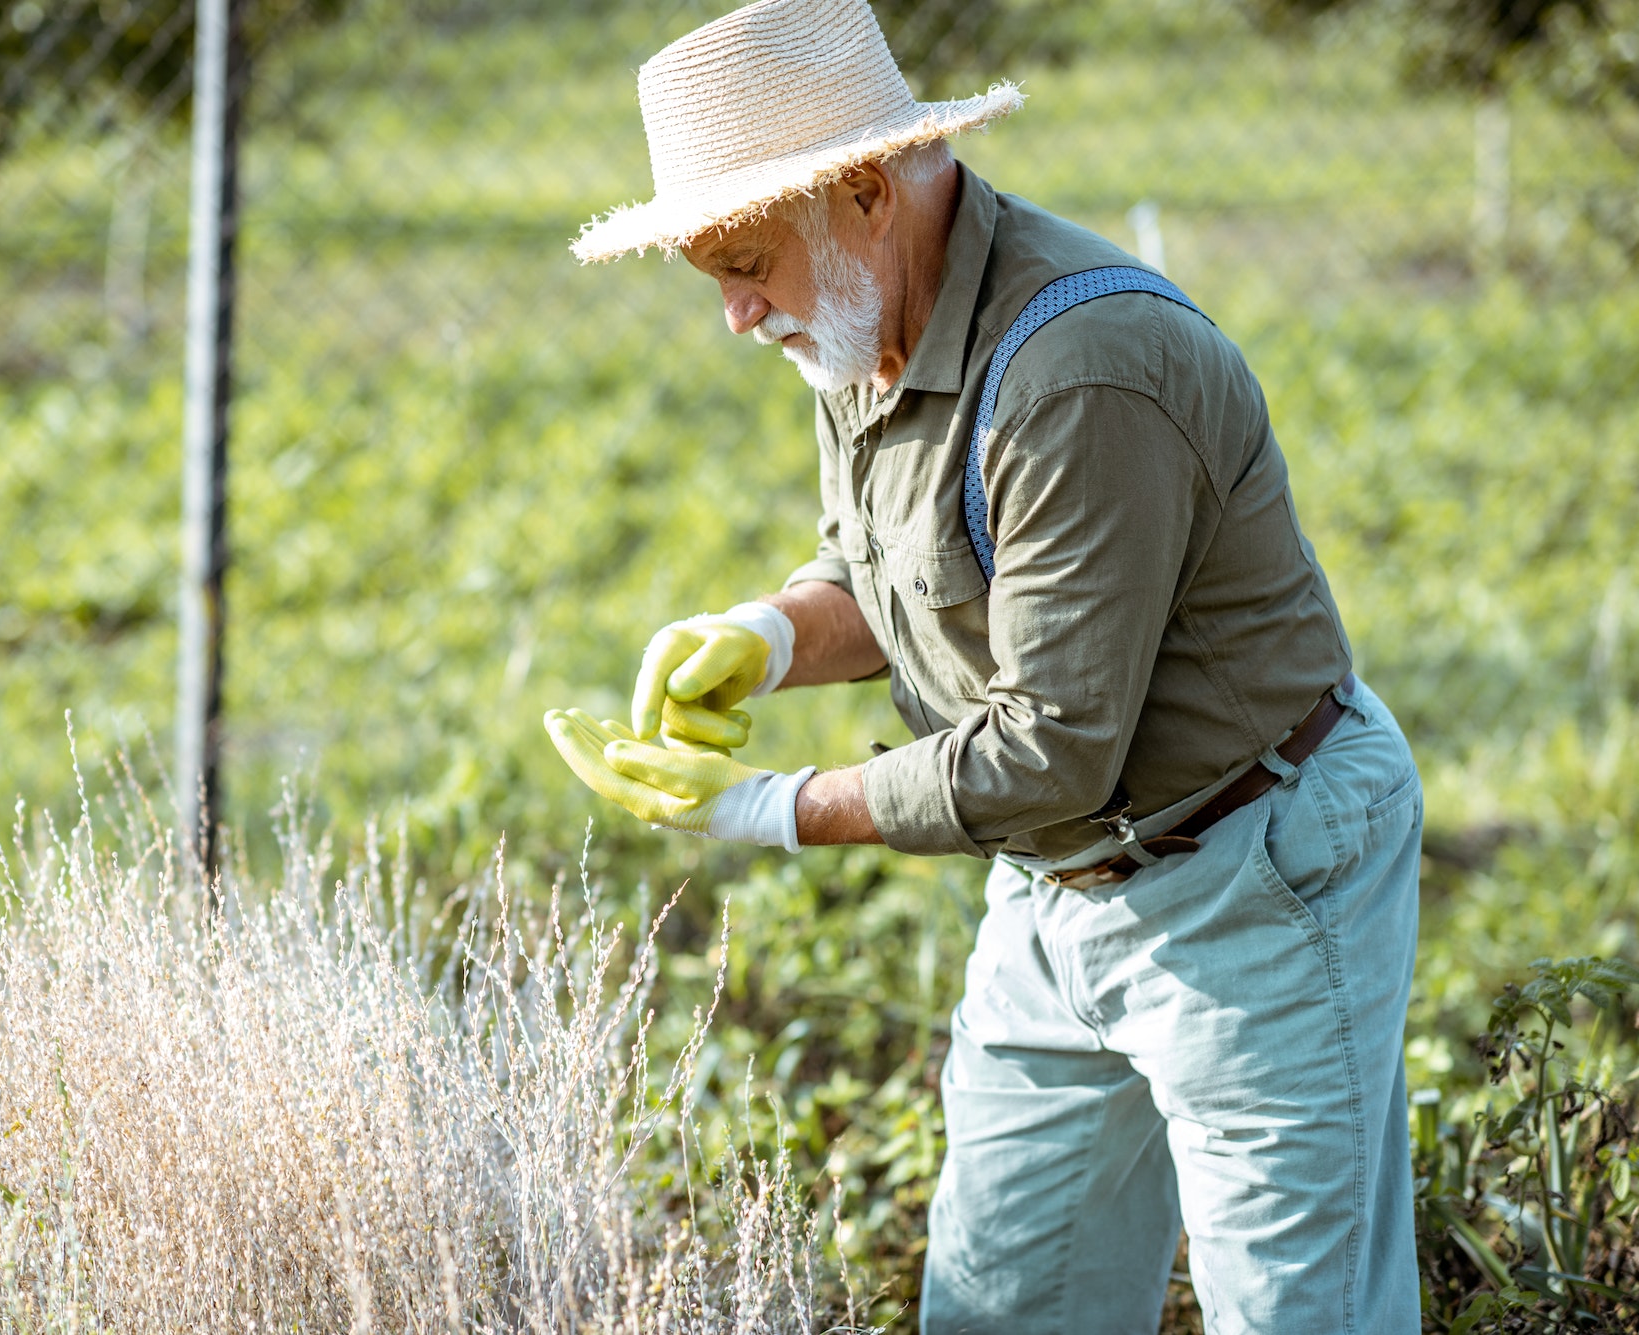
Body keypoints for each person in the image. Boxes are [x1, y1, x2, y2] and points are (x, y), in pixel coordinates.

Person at [544, 0, 1424, 1330]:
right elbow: (883, 562)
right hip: (1061, 880)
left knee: (1299, 1314)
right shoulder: (856, 314)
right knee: (1006, 1306)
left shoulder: (1079, 374)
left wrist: (773, 809)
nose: (733, 314)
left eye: (742, 260)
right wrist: (773, 631)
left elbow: (1048, 748)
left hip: (1254, 865)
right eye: (707, 273)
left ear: (858, 193)